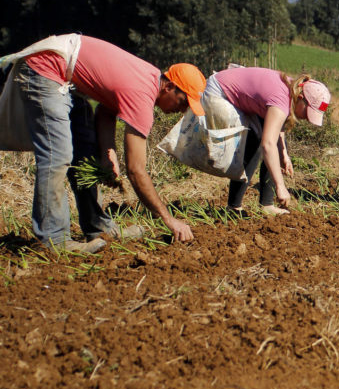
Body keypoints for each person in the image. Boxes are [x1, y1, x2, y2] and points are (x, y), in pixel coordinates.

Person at [0, 34, 205, 252]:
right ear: (169, 87)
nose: (182, 110)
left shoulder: (148, 78)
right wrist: (169, 219)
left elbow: (106, 111)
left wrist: (109, 155)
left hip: (66, 76)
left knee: (85, 152)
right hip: (45, 68)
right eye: (183, 102)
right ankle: (53, 239)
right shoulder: (142, 95)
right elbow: (136, 171)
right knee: (57, 155)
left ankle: (99, 227)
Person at [201, 67, 331, 215]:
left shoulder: (290, 91)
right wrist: (280, 186)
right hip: (219, 92)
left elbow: (277, 133)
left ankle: (267, 205)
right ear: (301, 99)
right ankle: (234, 207)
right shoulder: (281, 100)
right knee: (255, 142)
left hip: (236, 96)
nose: (307, 118)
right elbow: (267, 144)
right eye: (308, 112)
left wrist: (284, 154)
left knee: (273, 143)